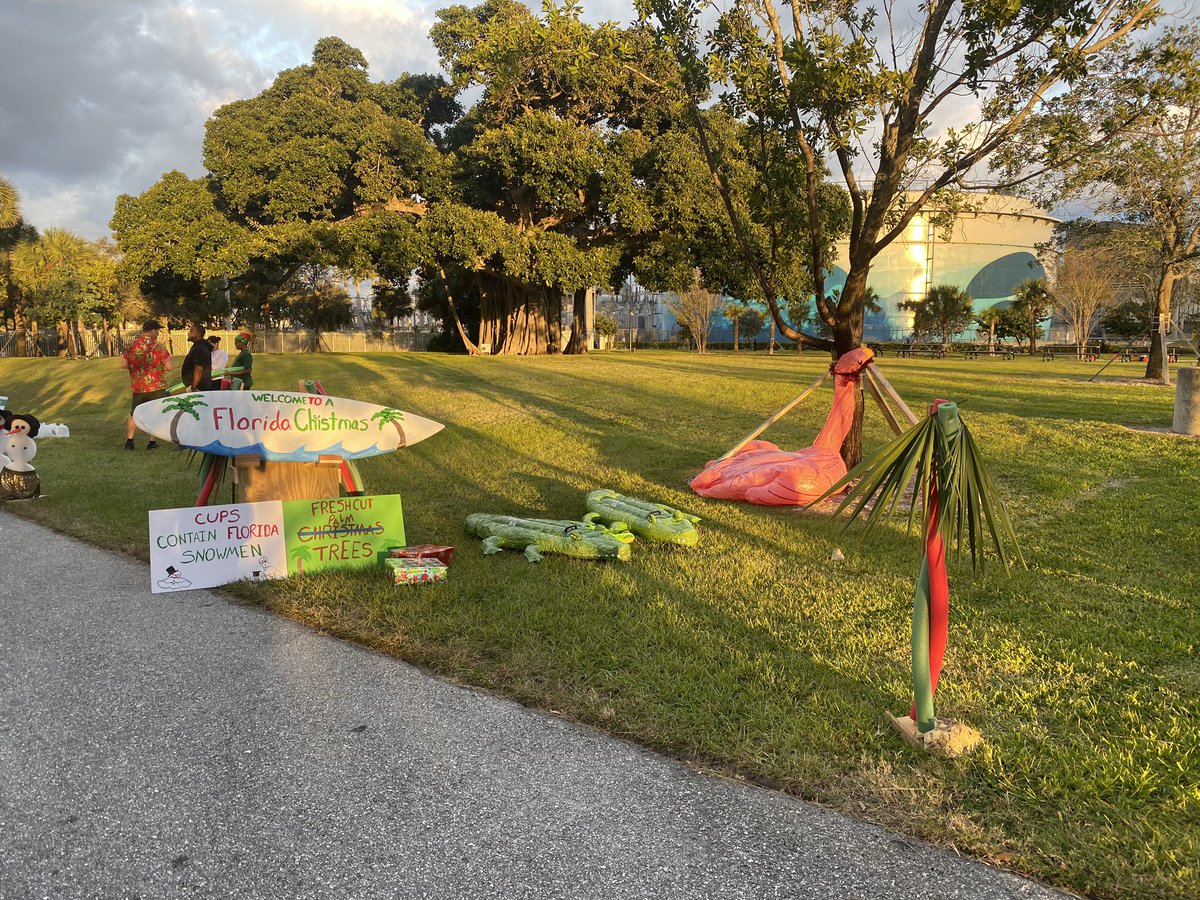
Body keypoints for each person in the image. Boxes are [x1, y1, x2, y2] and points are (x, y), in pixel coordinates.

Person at [121, 320, 171, 450]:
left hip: (138, 386)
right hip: (156, 386)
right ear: (153, 331)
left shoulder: (131, 345)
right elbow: (169, 366)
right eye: (157, 331)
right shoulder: (159, 347)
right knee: (155, 414)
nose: (158, 333)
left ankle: (130, 441)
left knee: (134, 413)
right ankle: (152, 443)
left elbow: (123, 364)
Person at [180, 323, 214, 392]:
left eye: (191, 331)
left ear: (199, 334)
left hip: (198, 386)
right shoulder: (201, 346)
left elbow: (199, 369)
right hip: (200, 385)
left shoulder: (199, 348)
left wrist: (194, 387)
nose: (188, 333)